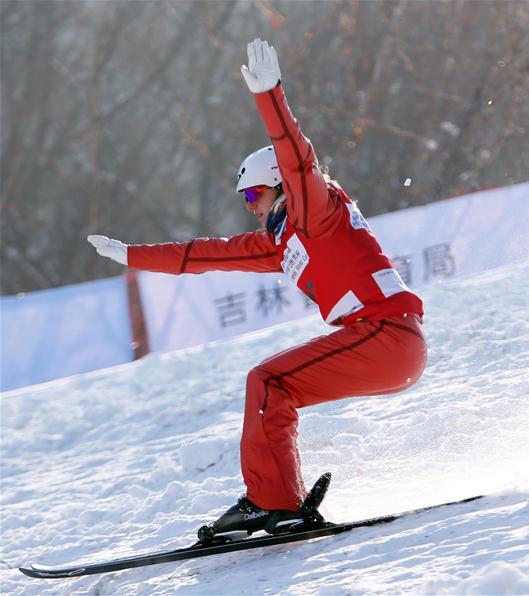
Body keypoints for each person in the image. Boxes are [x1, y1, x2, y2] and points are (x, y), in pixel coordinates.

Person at [88, 39, 427, 538]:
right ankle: (277, 501)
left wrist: (270, 95)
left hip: (385, 335)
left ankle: (271, 502)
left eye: (254, 193)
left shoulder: (316, 208)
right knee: (274, 387)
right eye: (243, 197)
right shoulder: (282, 240)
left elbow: (297, 160)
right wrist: (133, 256)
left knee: (268, 381)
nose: (249, 205)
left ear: (279, 188)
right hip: (386, 346)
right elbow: (204, 254)